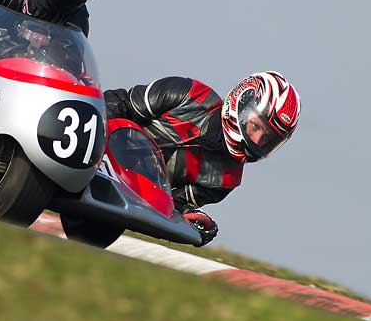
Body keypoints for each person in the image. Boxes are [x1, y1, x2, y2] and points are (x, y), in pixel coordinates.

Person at [104, 71, 301, 246]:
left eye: (267, 139)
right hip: (93, 153)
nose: (257, 141)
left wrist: (193, 222)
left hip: (117, 200)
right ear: (240, 103)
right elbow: (119, 103)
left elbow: (168, 206)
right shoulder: (187, 94)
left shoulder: (226, 180)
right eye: (256, 127)